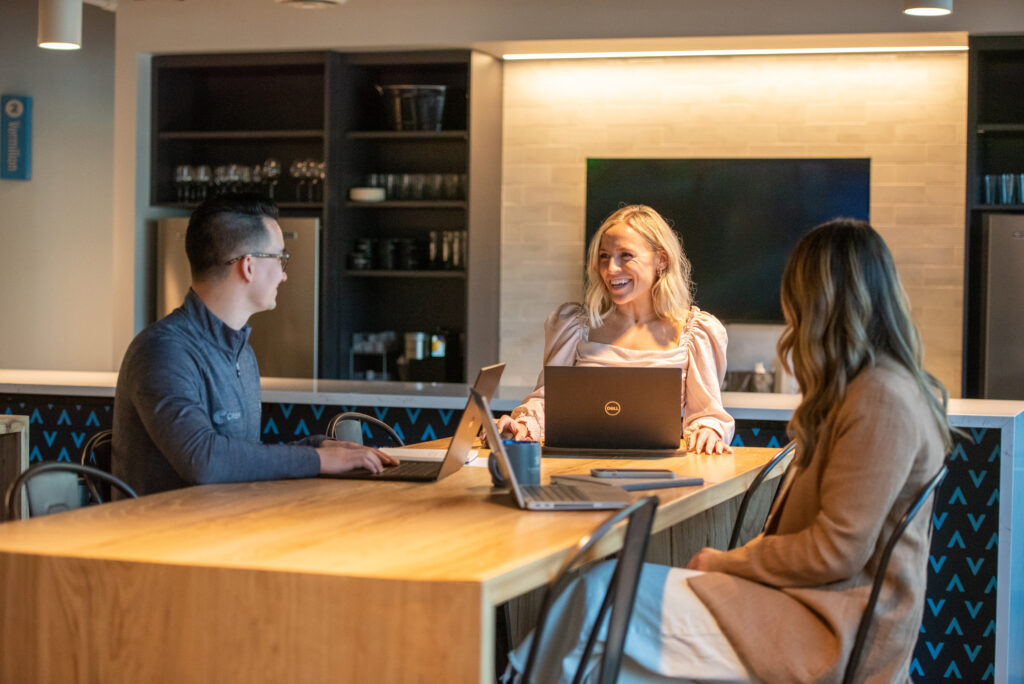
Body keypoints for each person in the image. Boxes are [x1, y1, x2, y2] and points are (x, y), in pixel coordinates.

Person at [504, 219, 952, 683]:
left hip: (828, 630)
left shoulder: (881, 399)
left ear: (822, 301)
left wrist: (723, 561)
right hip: (806, 606)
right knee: (595, 608)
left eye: (795, 294)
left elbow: (834, 552)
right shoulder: (874, 388)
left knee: (597, 596)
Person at [112, 194, 396, 496]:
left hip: (225, 526)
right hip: (161, 537)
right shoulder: (162, 351)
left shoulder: (242, 353)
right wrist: (317, 459)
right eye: (280, 258)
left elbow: (241, 457)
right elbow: (205, 461)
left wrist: (317, 446)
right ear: (248, 266)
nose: (284, 274)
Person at [497, 204, 734, 454]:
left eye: (626, 255)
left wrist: (709, 431)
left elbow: (707, 414)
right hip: (576, 465)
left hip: (662, 470)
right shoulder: (573, 326)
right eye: (604, 256)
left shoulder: (695, 332)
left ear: (661, 260)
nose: (611, 269)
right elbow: (547, 403)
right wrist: (523, 425)